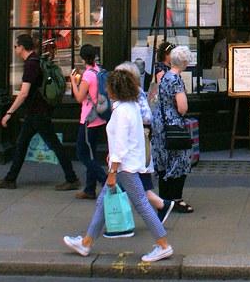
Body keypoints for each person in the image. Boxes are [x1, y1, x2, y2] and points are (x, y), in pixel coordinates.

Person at [62, 69, 174, 262]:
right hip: (126, 165)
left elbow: (121, 145)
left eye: (108, 88)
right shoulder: (130, 107)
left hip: (124, 168)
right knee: (103, 203)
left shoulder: (121, 111)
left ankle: (164, 245)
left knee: (141, 205)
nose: (106, 91)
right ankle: (86, 243)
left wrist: (113, 170)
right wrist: (113, 157)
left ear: (115, 89)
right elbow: (130, 140)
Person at [0, 33, 80, 191]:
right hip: (36, 112)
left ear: (21, 47)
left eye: (16, 46)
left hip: (38, 113)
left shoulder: (31, 65)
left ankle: (72, 178)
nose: (15, 49)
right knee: (21, 144)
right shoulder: (36, 60)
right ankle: (10, 179)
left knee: (52, 144)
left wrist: (9, 112)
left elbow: (24, 93)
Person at [115, 60, 176, 225]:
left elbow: (147, 116)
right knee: (134, 186)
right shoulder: (128, 96)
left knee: (132, 186)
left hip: (135, 146)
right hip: (133, 148)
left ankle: (124, 222)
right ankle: (123, 221)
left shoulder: (135, 94)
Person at [152, 46, 194, 213]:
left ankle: (164, 199)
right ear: (184, 62)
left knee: (164, 159)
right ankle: (176, 199)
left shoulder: (166, 76)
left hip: (160, 123)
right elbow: (182, 107)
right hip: (173, 123)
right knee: (180, 159)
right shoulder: (176, 80)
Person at [69, 44, 107, 200]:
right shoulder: (99, 71)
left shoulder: (88, 75)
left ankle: (106, 182)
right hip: (99, 117)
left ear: (82, 58)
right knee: (92, 153)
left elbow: (79, 97)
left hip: (88, 119)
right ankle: (89, 189)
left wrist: (73, 81)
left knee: (82, 153)